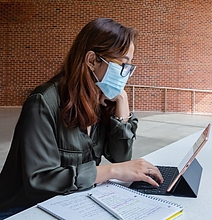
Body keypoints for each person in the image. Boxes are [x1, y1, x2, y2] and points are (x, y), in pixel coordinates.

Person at [0, 18, 163, 218]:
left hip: (67, 202)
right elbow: (41, 181)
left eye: (130, 66)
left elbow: (121, 157)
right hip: (23, 209)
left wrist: (122, 98)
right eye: (122, 64)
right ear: (92, 60)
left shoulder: (100, 99)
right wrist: (111, 171)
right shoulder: (43, 102)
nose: (126, 74)